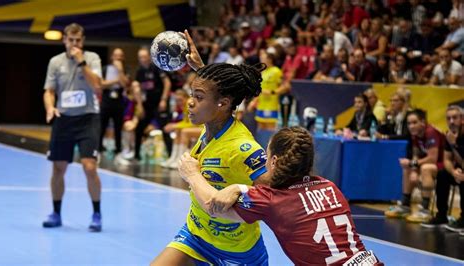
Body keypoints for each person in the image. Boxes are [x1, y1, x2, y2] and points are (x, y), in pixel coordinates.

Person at [178, 126, 382, 265]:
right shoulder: (330, 187)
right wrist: (241, 187)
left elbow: (213, 206)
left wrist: (192, 174)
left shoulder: (271, 200)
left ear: (274, 161)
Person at [151, 30, 270, 265]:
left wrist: (238, 189)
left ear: (223, 104)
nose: (191, 102)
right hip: (196, 235)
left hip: (238, 252)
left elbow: (273, 196)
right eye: (191, 94)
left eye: (198, 97)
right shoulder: (212, 123)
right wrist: (201, 69)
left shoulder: (243, 148)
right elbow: (217, 93)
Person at [42, 23, 103, 232]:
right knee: (58, 168)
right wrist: (50, 108)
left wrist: (81, 62)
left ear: (82, 41)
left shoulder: (92, 58)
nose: (74, 43)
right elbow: (49, 90)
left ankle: (96, 213)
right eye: (71, 40)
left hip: (88, 118)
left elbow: (97, 85)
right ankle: (55, 213)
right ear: (65, 40)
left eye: (78, 40)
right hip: (64, 119)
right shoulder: (55, 62)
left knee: (89, 166)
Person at [385, 109, 445, 223]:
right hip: (429, 163)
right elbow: (416, 154)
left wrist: (413, 164)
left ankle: (425, 210)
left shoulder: (431, 132)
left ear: (423, 122)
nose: (411, 126)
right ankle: (405, 206)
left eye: (414, 122)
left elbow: (433, 158)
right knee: (407, 167)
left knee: (425, 168)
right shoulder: (415, 135)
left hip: (442, 165)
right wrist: (412, 168)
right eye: (409, 123)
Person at [421, 106, 464, 233]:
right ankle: (442, 215)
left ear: (462, 119)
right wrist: (453, 172)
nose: (451, 121)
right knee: (443, 174)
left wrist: (454, 144)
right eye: (448, 118)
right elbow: (447, 160)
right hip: (460, 169)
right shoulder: (449, 135)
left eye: (455, 118)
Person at [132, 47, 171, 162]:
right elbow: (137, 89)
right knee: (139, 129)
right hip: (147, 106)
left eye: (144, 57)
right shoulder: (140, 72)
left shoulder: (156, 68)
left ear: (149, 57)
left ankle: (170, 157)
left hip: (159, 104)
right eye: (140, 57)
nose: (142, 59)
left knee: (165, 129)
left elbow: (167, 83)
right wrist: (139, 105)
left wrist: (164, 100)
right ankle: (136, 156)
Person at [99, 48, 130, 155]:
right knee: (103, 124)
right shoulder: (105, 69)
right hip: (107, 99)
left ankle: (118, 148)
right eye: (116, 55)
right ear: (112, 57)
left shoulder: (125, 69)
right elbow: (101, 84)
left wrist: (120, 70)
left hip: (119, 100)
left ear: (123, 58)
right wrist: (116, 81)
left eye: (120, 56)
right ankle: (99, 146)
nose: (118, 58)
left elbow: (125, 84)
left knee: (118, 126)